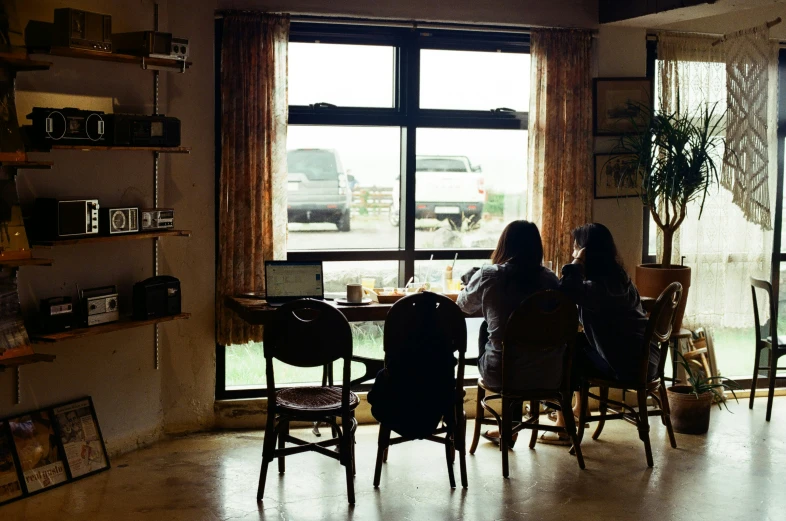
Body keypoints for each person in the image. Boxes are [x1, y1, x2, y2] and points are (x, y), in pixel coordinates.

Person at [456, 220, 559, 442]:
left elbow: (463, 305)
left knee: (492, 333)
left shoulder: (490, 275)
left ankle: (509, 430)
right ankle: (509, 429)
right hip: (549, 372)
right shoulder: (550, 279)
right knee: (519, 346)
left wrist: (469, 282)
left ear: (505, 245)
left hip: (503, 372)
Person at [552, 223, 650, 438]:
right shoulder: (620, 280)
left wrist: (577, 262)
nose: (572, 252)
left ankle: (563, 425)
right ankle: (579, 408)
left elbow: (565, 291)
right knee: (576, 343)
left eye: (576, 247)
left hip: (625, 366)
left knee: (565, 352)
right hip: (644, 360)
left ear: (588, 253)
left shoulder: (598, 290)